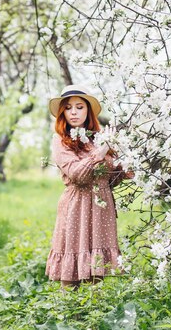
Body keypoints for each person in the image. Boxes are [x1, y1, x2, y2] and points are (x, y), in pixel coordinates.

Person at [45, 84, 133, 288]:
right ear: (62, 113)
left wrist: (121, 155)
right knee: (73, 262)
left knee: (97, 266)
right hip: (77, 206)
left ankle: (95, 313)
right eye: (68, 108)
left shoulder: (97, 139)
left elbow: (110, 179)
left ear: (88, 111)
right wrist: (100, 154)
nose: (73, 112)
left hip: (102, 207)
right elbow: (78, 175)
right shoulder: (61, 140)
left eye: (79, 107)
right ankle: (69, 312)